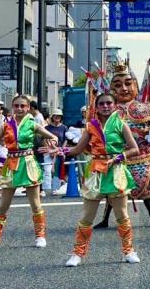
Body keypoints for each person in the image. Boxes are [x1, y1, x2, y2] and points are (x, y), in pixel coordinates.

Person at [58, 91, 141, 266]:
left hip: (116, 171)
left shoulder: (121, 124)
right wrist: (60, 150)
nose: (105, 106)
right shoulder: (90, 126)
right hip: (96, 170)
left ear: (115, 105)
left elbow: (135, 149)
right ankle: (78, 253)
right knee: (87, 216)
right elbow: (77, 149)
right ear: (96, 107)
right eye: (102, 103)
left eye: (109, 103)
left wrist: (118, 158)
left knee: (122, 215)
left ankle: (128, 250)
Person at [0, 95, 60, 249]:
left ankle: (40, 236)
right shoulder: (6, 126)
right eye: (16, 106)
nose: (19, 109)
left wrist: (52, 145)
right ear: (12, 107)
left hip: (28, 164)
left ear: (28, 108)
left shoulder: (33, 124)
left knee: (35, 204)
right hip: (11, 164)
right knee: (3, 205)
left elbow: (54, 137)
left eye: (23, 106)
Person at [95, 61, 150, 229]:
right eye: (118, 85)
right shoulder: (107, 110)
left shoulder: (145, 107)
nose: (124, 88)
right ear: (111, 89)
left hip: (143, 154)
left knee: (146, 189)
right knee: (113, 189)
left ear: (135, 85)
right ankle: (105, 219)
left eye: (128, 84)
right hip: (117, 156)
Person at [44, 111, 68, 195]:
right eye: (55, 116)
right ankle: (46, 189)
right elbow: (45, 139)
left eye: (59, 116)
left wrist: (61, 150)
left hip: (59, 152)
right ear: (52, 117)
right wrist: (50, 149)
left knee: (57, 171)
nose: (57, 117)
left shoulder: (64, 127)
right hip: (48, 151)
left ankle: (55, 188)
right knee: (47, 170)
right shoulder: (47, 128)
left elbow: (65, 140)